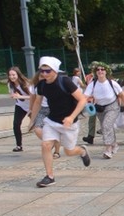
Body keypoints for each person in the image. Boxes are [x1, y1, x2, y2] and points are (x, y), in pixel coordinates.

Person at [29, 56, 91, 187]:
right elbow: (37, 102)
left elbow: (82, 100)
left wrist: (71, 117)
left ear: (55, 70)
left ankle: (82, 151)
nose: (44, 73)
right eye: (42, 71)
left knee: (69, 151)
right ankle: (49, 176)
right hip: (52, 121)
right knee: (45, 145)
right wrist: (32, 120)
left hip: (69, 123)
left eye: (48, 71)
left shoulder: (65, 82)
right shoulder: (41, 85)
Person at [83, 62, 124, 159]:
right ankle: (114, 144)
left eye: (102, 69)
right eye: (98, 70)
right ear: (95, 72)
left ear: (106, 72)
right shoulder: (92, 84)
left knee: (106, 125)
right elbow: (84, 97)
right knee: (106, 127)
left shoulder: (112, 83)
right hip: (99, 108)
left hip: (112, 107)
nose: (100, 71)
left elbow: (122, 95)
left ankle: (108, 149)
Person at [6, 66, 32, 152]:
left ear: (18, 74)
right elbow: (13, 94)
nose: (11, 77)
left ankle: (49, 141)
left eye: (13, 75)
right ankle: (19, 145)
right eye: (10, 75)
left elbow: (33, 97)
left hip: (31, 106)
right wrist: (13, 96)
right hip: (20, 105)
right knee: (16, 124)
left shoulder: (25, 83)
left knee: (37, 125)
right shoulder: (10, 84)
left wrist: (21, 96)